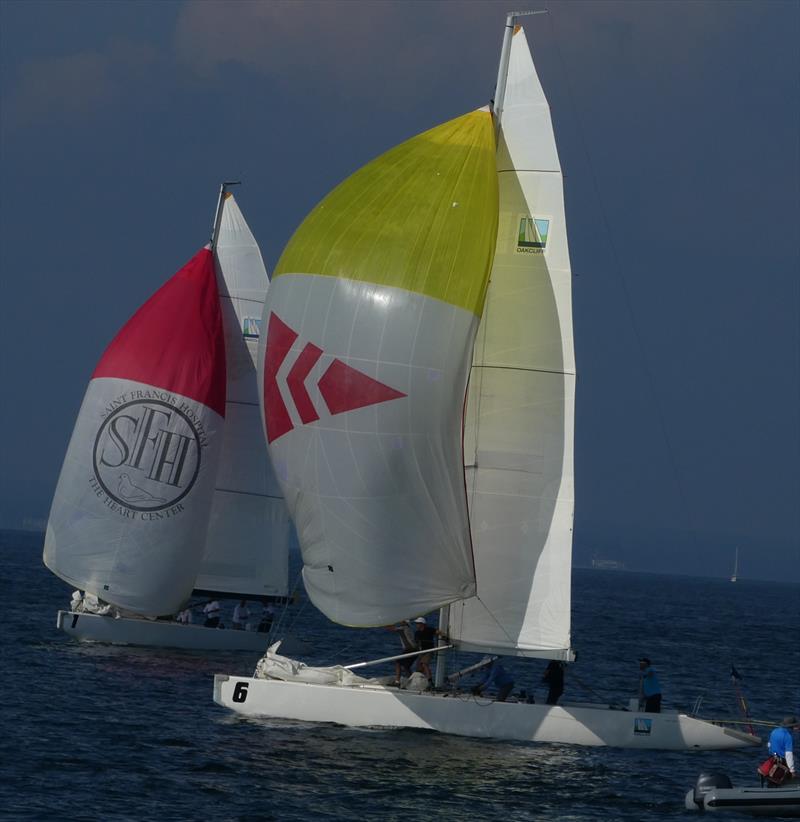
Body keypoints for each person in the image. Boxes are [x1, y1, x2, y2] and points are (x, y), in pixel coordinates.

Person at [768, 715, 798, 781]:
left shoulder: (774, 731)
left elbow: (769, 745)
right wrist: (792, 770)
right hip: (782, 763)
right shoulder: (788, 736)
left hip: (772, 759)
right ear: (792, 726)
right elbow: (788, 754)